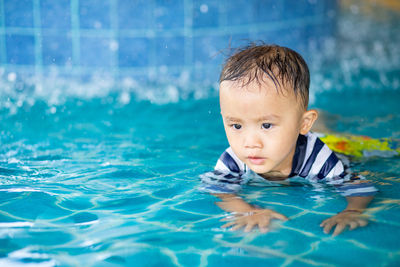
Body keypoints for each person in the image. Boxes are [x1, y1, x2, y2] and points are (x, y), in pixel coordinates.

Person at [200, 43, 378, 236]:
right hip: (299, 132)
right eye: (236, 126)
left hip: (334, 144)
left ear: (304, 123)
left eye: (266, 125)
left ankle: (324, 120)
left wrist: (351, 212)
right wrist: (247, 211)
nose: (250, 143)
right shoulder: (233, 158)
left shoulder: (318, 158)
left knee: (341, 140)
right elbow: (219, 190)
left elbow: (361, 188)